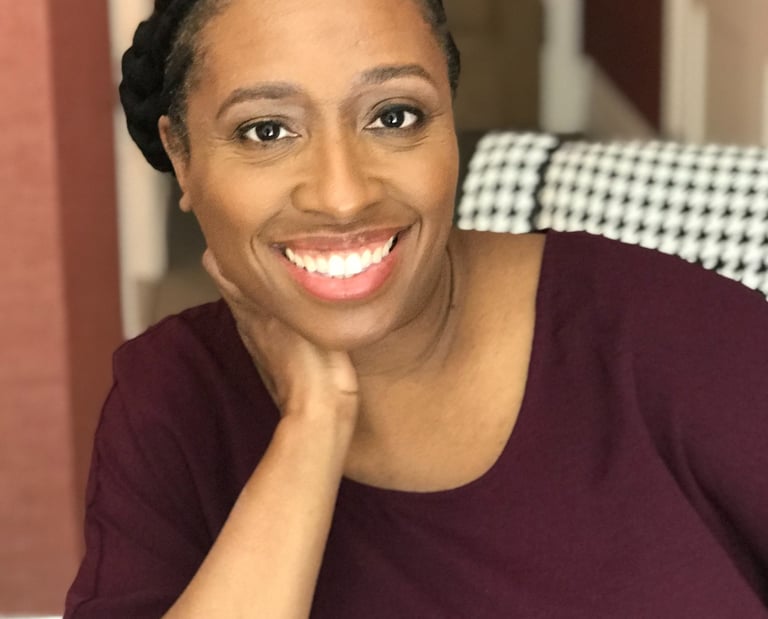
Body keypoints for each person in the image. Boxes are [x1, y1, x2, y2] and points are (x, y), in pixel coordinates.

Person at [64, 0, 768, 617]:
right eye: (266, 131)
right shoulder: (169, 398)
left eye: (393, 116)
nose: (343, 197)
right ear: (182, 156)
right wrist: (315, 423)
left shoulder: (674, 332)